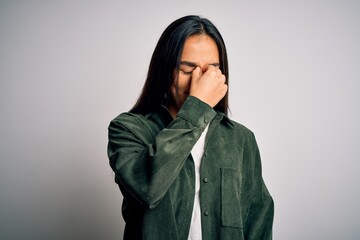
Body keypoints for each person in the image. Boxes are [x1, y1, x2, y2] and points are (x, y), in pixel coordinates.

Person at [107, 15, 274, 240]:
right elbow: (148, 189)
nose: (199, 80)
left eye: (210, 70)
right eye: (187, 70)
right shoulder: (127, 129)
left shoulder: (241, 139)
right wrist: (199, 105)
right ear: (165, 71)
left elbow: (258, 222)